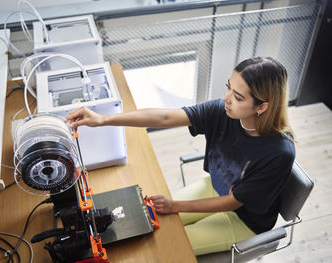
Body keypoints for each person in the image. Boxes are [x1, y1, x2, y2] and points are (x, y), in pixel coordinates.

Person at [65, 57, 295, 256]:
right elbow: (164, 117)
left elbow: (232, 202)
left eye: (237, 97)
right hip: (215, 187)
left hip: (243, 219)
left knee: (166, 244)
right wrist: (103, 119)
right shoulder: (223, 112)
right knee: (149, 220)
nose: (226, 98)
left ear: (262, 107)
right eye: (228, 88)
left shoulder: (279, 153)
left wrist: (175, 206)